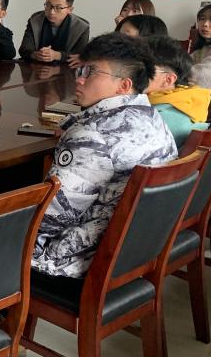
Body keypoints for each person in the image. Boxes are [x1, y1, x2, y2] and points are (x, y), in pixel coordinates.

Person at [32, 33, 177, 277]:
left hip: (73, 263)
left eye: (91, 72)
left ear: (124, 85)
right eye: (81, 70)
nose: (79, 79)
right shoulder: (154, 119)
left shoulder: (91, 134)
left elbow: (51, 219)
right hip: (134, 255)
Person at [145, 36, 211, 148]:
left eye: (143, 70)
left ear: (168, 79)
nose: (131, 74)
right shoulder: (187, 99)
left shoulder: (157, 119)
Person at [19, 0, 90, 65]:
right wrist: (36, 55)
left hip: (66, 69)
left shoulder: (82, 27)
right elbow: (24, 50)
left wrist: (58, 55)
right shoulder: (35, 20)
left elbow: (80, 57)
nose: (51, 12)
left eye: (58, 8)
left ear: (70, 9)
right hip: (36, 67)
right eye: (48, 5)